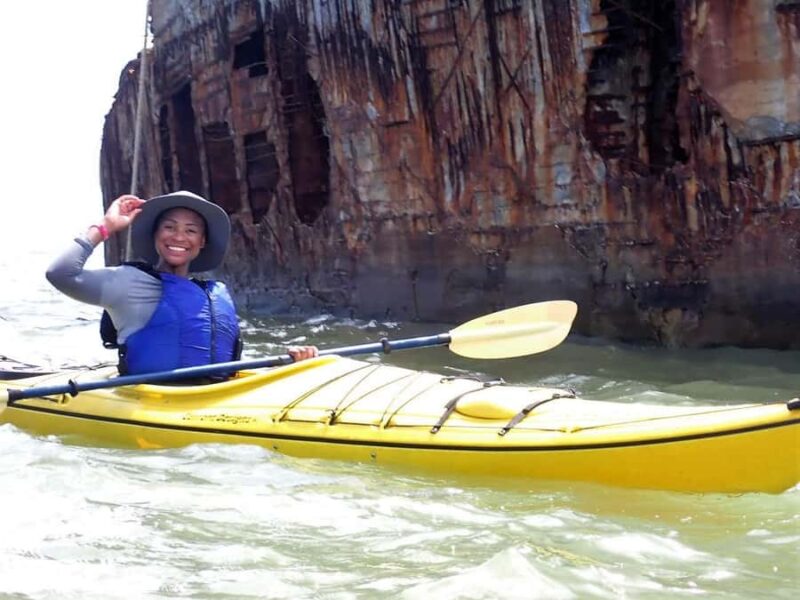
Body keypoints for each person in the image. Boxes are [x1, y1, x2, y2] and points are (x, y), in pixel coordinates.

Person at [46, 191, 318, 375]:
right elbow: (60, 273)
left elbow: (228, 369)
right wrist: (105, 226)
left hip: (215, 402)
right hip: (151, 401)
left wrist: (290, 364)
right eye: (169, 227)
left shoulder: (214, 293)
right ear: (155, 235)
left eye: (191, 231)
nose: (179, 237)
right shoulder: (127, 283)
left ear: (202, 243)